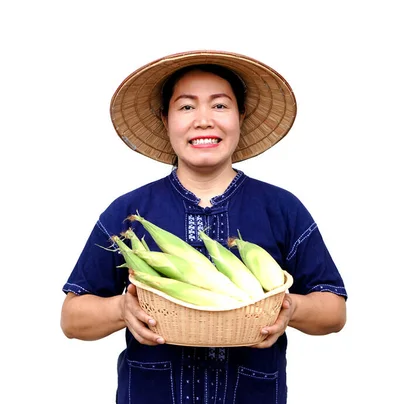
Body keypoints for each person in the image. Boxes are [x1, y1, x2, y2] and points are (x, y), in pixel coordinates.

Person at [60, 50, 348, 404]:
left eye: (220, 105)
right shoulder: (129, 211)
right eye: (186, 107)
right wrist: (121, 311)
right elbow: (72, 319)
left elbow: (334, 310)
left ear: (241, 117)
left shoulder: (281, 208)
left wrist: (289, 308)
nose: (203, 120)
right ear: (164, 119)